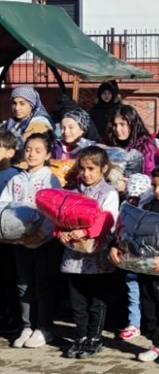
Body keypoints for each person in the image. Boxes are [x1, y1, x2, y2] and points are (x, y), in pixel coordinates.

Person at [110, 163, 159, 364]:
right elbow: (130, 230)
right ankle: (157, 344)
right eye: (154, 185)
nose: (157, 190)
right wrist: (116, 246)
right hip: (145, 268)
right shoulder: (147, 206)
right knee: (150, 308)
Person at [1, 133, 62, 348]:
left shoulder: (50, 179)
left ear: (47, 155)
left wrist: (40, 234)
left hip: (44, 242)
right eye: (28, 149)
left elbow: (54, 211)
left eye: (38, 150)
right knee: (23, 285)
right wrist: (8, 233)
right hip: (20, 242)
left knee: (42, 285)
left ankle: (43, 327)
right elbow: (5, 206)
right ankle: (27, 325)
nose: (32, 154)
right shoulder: (16, 179)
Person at [60, 146, 119, 359]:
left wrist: (85, 232)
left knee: (96, 300)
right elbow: (60, 217)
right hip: (73, 257)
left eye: (92, 169)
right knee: (77, 301)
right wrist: (61, 233)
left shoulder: (108, 193)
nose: (86, 173)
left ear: (103, 169)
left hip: (97, 257)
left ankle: (95, 336)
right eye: (83, 168)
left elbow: (108, 222)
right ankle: (81, 336)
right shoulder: (73, 192)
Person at [118, 174, 152, 341]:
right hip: (129, 257)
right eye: (131, 198)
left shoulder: (150, 209)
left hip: (147, 258)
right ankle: (134, 323)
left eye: (137, 198)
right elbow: (119, 229)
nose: (134, 202)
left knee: (148, 291)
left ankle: (150, 322)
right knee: (132, 290)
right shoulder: (124, 208)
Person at [0, 131, 20, 335]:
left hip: (9, 238)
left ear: (10, 152)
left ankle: (15, 317)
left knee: (10, 279)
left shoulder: (14, 176)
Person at [105, 104, 157, 177]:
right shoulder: (108, 142)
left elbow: (150, 173)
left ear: (132, 125)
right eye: (115, 125)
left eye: (122, 124)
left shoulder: (146, 146)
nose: (117, 129)